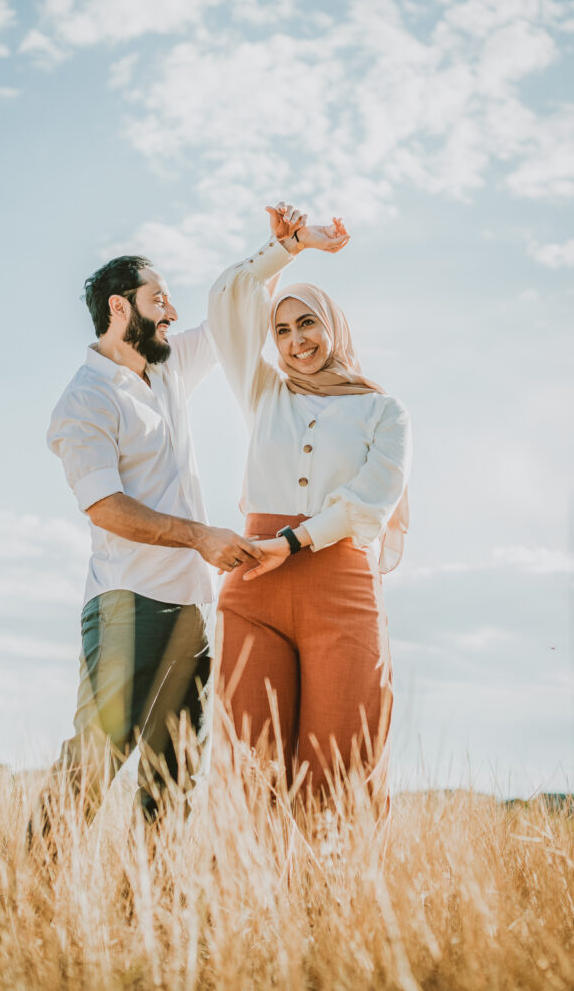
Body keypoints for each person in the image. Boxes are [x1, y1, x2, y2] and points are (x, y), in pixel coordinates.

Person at [27, 251, 264, 858]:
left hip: (193, 610)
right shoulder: (84, 400)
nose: (172, 313)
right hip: (127, 606)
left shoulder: (167, 370)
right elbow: (105, 507)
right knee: (98, 760)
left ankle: (152, 918)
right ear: (118, 307)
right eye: (159, 300)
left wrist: (285, 249)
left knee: (176, 777)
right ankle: (27, 899)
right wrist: (200, 536)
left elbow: (230, 315)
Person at [208, 202, 412, 822]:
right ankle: (252, 908)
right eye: (283, 330)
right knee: (250, 767)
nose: (296, 342)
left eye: (308, 325)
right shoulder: (263, 391)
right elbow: (228, 298)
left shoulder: (384, 412)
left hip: (339, 587)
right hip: (253, 590)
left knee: (339, 766)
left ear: (332, 326)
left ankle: (334, 911)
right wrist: (291, 247)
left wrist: (293, 544)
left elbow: (371, 501)